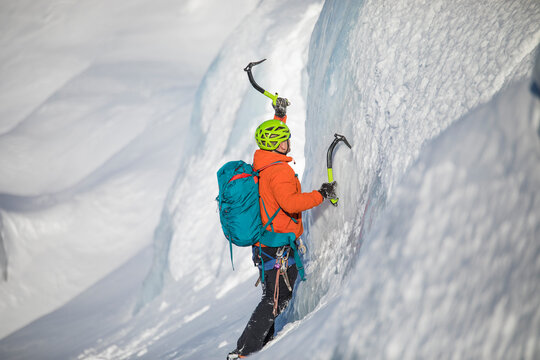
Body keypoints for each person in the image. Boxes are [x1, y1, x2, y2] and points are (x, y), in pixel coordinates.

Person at [227, 98, 337, 359]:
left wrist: (280, 117)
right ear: (277, 145)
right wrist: (320, 194)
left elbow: (273, 140)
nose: (288, 142)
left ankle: (260, 348)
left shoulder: (263, 160)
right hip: (276, 245)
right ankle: (244, 351)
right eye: (284, 139)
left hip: (267, 243)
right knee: (275, 300)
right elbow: (290, 202)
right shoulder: (279, 172)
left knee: (273, 295)